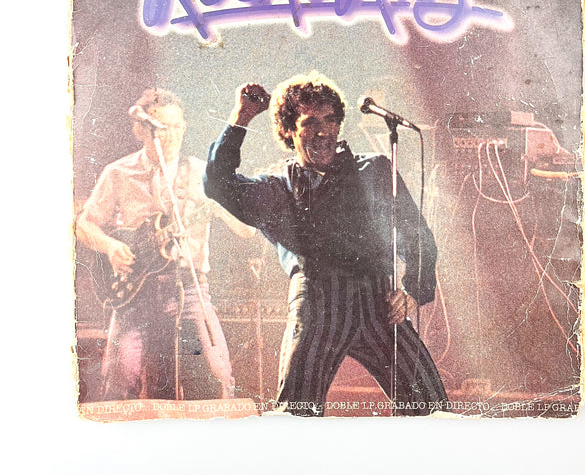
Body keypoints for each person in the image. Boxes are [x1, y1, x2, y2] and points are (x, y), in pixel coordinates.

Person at [203, 73, 448, 416]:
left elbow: (417, 234)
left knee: (432, 409)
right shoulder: (279, 189)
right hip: (318, 305)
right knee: (297, 414)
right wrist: (241, 118)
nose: (323, 132)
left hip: (379, 303)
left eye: (330, 120)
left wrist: (413, 291)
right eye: (310, 122)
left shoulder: (374, 170)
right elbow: (218, 184)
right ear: (289, 131)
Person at [77, 88, 252, 401]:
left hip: (188, 287)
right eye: (161, 128)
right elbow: (84, 225)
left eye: (177, 127)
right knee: (119, 381)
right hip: (134, 295)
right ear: (140, 130)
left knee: (215, 375)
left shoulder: (202, 173)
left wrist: (232, 204)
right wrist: (111, 247)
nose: (171, 136)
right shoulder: (118, 173)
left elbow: (246, 231)